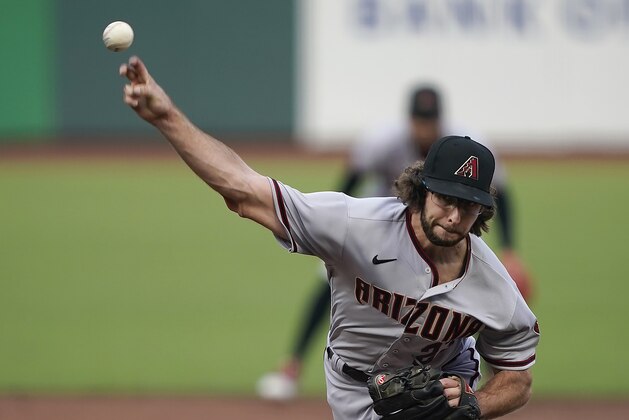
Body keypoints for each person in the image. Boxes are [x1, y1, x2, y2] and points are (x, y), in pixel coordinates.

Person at [119, 56, 540, 419]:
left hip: (440, 389)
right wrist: (165, 116)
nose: (453, 217)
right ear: (423, 188)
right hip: (350, 388)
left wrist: (477, 403)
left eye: (468, 206)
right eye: (445, 200)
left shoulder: (493, 286)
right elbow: (242, 187)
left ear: (482, 210)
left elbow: (518, 377)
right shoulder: (353, 225)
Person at [257, 85, 534, 400]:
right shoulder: (383, 140)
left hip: (439, 233)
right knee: (326, 286)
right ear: (409, 118)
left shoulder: (467, 148)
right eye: (419, 119)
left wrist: (510, 250)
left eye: (429, 120)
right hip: (380, 226)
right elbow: (349, 181)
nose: (424, 127)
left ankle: (465, 380)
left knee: (462, 303)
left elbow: (500, 194)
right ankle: (292, 365)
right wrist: (334, 236)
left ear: (440, 120)